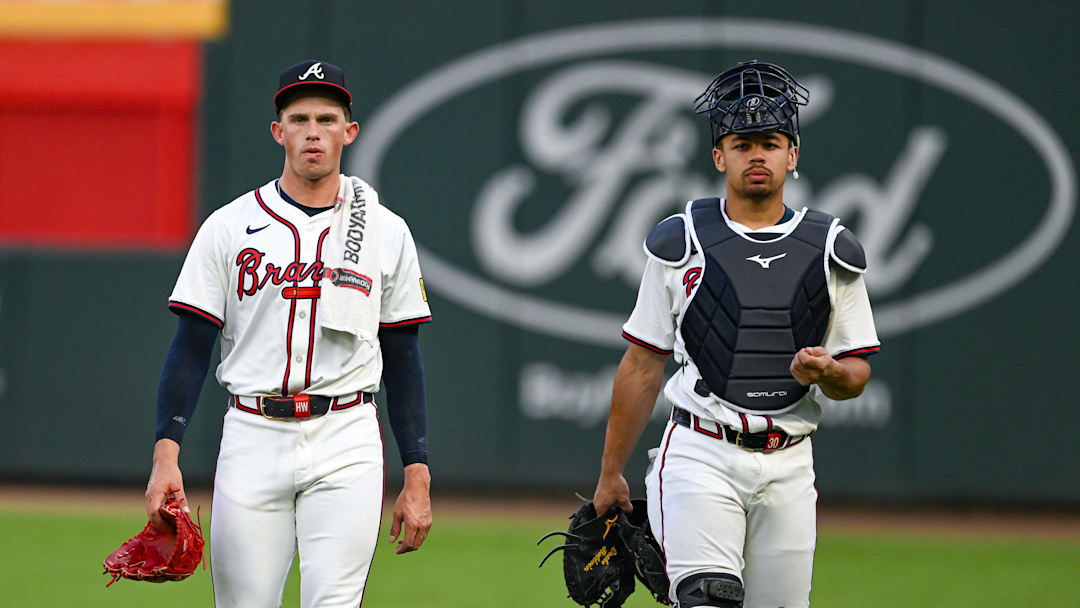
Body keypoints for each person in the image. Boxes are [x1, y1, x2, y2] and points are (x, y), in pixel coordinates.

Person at [143, 59, 434, 607]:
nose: (313, 132)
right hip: (253, 432)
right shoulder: (229, 226)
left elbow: (403, 357)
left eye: (327, 119)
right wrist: (166, 456)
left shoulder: (385, 231)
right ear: (278, 132)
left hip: (346, 434)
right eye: (299, 119)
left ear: (349, 131)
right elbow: (190, 349)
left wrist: (416, 470)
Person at [591, 60, 880, 608]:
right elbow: (642, 363)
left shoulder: (830, 248)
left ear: (792, 154)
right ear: (719, 156)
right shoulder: (682, 241)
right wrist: (611, 475)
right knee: (708, 597)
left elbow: (857, 372)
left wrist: (830, 372)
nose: (757, 155)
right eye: (742, 144)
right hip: (702, 450)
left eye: (770, 143)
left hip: (789, 461)